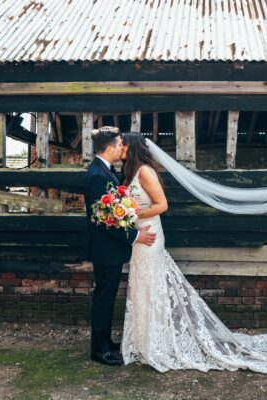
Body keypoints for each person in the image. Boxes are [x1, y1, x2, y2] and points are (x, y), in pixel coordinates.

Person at [118, 132, 267, 374]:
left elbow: (162, 205)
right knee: (142, 285)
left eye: (122, 144)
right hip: (139, 237)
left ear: (132, 147)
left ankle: (157, 342)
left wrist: (132, 215)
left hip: (149, 235)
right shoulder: (131, 172)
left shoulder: (144, 171)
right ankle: (144, 341)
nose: (119, 147)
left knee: (152, 286)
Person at [84, 127, 156, 366]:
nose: (121, 148)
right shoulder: (97, 175)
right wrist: (135, 236)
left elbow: (114, 214)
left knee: (108, 297)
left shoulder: (106, 170)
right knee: (104, 298)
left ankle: (105, 343)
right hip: (105, 250)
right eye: (118, 145)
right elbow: (105, 221)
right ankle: (99, 351)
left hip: (110, 249)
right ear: (109, 148)